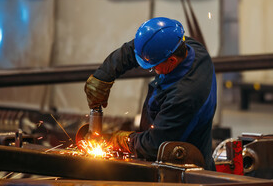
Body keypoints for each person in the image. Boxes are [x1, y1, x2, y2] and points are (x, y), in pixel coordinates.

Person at [84, 17, 217, 170]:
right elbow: (137, 49)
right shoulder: (188, 46)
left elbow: (154, 145)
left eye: (153, 66)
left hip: (184, 170)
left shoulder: (185, 96)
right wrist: (104, 75)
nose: (152, 70)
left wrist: (121, 140)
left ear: (172, 60)